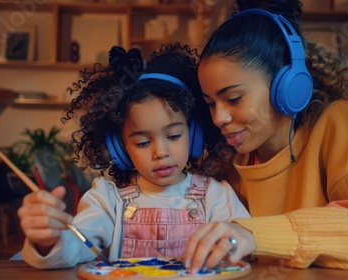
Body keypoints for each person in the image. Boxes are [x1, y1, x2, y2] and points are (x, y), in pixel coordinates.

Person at [184, 0, 348, 272]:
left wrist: (254, 234)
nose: (218, 117)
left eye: (233, 98)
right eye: (211, 103)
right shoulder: (231, 159)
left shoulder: (339, 122)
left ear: (288, 85)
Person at [17, 43, 250, 269]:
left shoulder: (217, 197)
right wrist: (47, 242)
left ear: (195, 135)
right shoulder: (108, 201)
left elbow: (246, 250)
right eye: (143, 142)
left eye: (174, 136)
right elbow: (75, 249)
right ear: (120, 148)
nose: (160, 152)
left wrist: (231, 248)